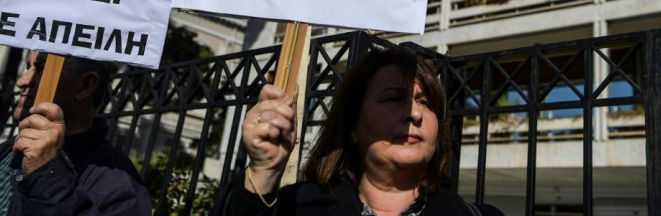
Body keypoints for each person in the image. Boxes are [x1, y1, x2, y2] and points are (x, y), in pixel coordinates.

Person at [213, 43, 504, 215]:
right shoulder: (293, 208)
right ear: (352, 125)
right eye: (394, 99)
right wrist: (263, 172)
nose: (414, 113)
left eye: (425, 102)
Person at [0, 50, 151, 215]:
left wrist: (47, 175)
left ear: (84, 86)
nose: (22, 80)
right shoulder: (8, 149)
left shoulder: (119, 185)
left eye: (42, 69)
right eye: (28, 67)